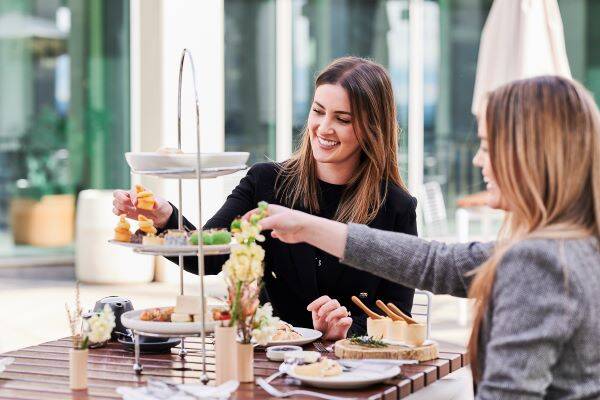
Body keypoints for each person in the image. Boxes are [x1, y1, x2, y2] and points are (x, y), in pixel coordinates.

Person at [253, 76, 600, 398]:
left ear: (531, 157)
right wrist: (307, 226)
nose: (479, 160)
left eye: (487, 146)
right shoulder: (575, 247)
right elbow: (435, 263)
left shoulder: (541, 262)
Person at [113, 57, 417, 340]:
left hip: (347, 373)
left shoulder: (396, 207)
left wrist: (345, 332)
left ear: (373, 129)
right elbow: (207, 256)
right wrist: (167, 217)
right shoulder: (265, 182)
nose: (323, 128)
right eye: (318, 111)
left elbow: (397, 317)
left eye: (343, 119)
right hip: (262, 358)